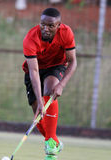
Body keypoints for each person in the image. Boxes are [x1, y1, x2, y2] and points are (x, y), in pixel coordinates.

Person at [22, 8, 77, 160]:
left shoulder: (66, 33)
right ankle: (54, 142)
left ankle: (50, 148)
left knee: (50, 89)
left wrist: (61, 85)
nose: (45, 28)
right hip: (34, 71)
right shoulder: (30, 38)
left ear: (59, 26)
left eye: (51, 26)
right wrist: (39, 101)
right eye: (43, 24)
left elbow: (73, 61)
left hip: (56, 66)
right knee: (38, 115)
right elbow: (33, 71)